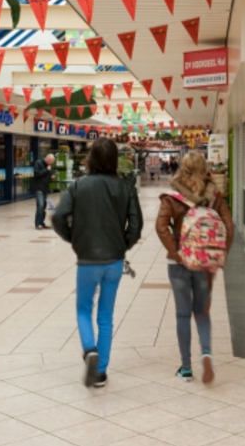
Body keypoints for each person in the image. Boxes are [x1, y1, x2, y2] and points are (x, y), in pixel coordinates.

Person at [52, 138, 143, 388]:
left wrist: (74, 239)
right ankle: (101, 371)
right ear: (115, 160)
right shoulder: (126, 188)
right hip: (114, 261)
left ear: (90, 159)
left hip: (87, 261)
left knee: (83, 309)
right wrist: (122, 245)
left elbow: (58, 217)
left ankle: (89, 349)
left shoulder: (78, 186)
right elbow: (136, 226)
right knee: (106, 315)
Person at [156, 151, 233, 384]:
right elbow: (229, 226)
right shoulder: (214, 196)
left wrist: (177, 253)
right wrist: (219, 255)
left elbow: (161, 227)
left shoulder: (172, 197)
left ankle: (186, 368)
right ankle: (206, 353)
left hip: (179, 262)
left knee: (182, 313)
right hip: (204, 262)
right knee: (201, 311)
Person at [33, 153, 55, 230]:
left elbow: (48, 174)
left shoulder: (50, 165)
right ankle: (38, 224)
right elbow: (37, 174)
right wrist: (46, 170)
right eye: (51, 161)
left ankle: (42, 223)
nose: (52, 163)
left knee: (44, 206)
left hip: (45, 188)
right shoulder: (38, 163)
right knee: (40, 205)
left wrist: (51, 177)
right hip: (39, 187)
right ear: (47, 159)